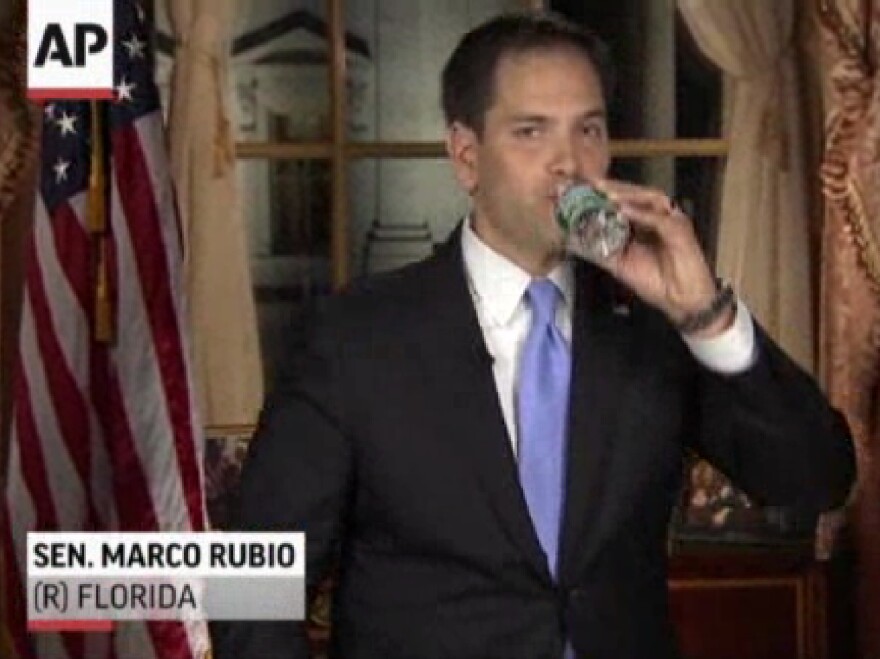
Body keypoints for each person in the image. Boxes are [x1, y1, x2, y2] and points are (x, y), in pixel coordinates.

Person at [214, 11, 855, 659]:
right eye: (531, 132)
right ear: (467, 156)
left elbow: (815, 480)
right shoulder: (355, 339)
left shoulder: (653, 329)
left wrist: (707, 316)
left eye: (590, 129)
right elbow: (248, 587)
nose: (568, 163)